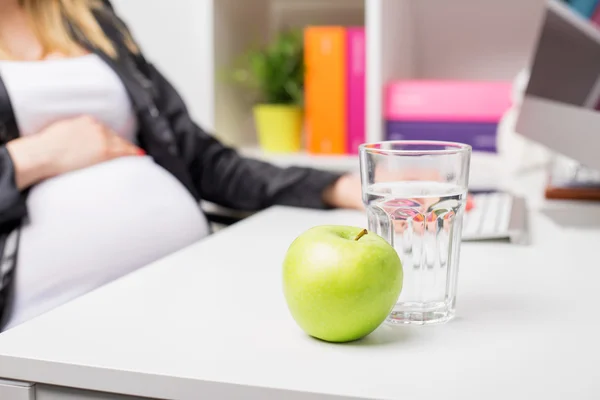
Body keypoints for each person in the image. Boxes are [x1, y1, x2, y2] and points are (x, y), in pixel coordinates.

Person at [0, 0, 364, 331]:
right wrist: (32, 157)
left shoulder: (86, 13)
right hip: (47, 325)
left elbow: (201, 159)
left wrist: (339, 186)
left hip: (184, 294)